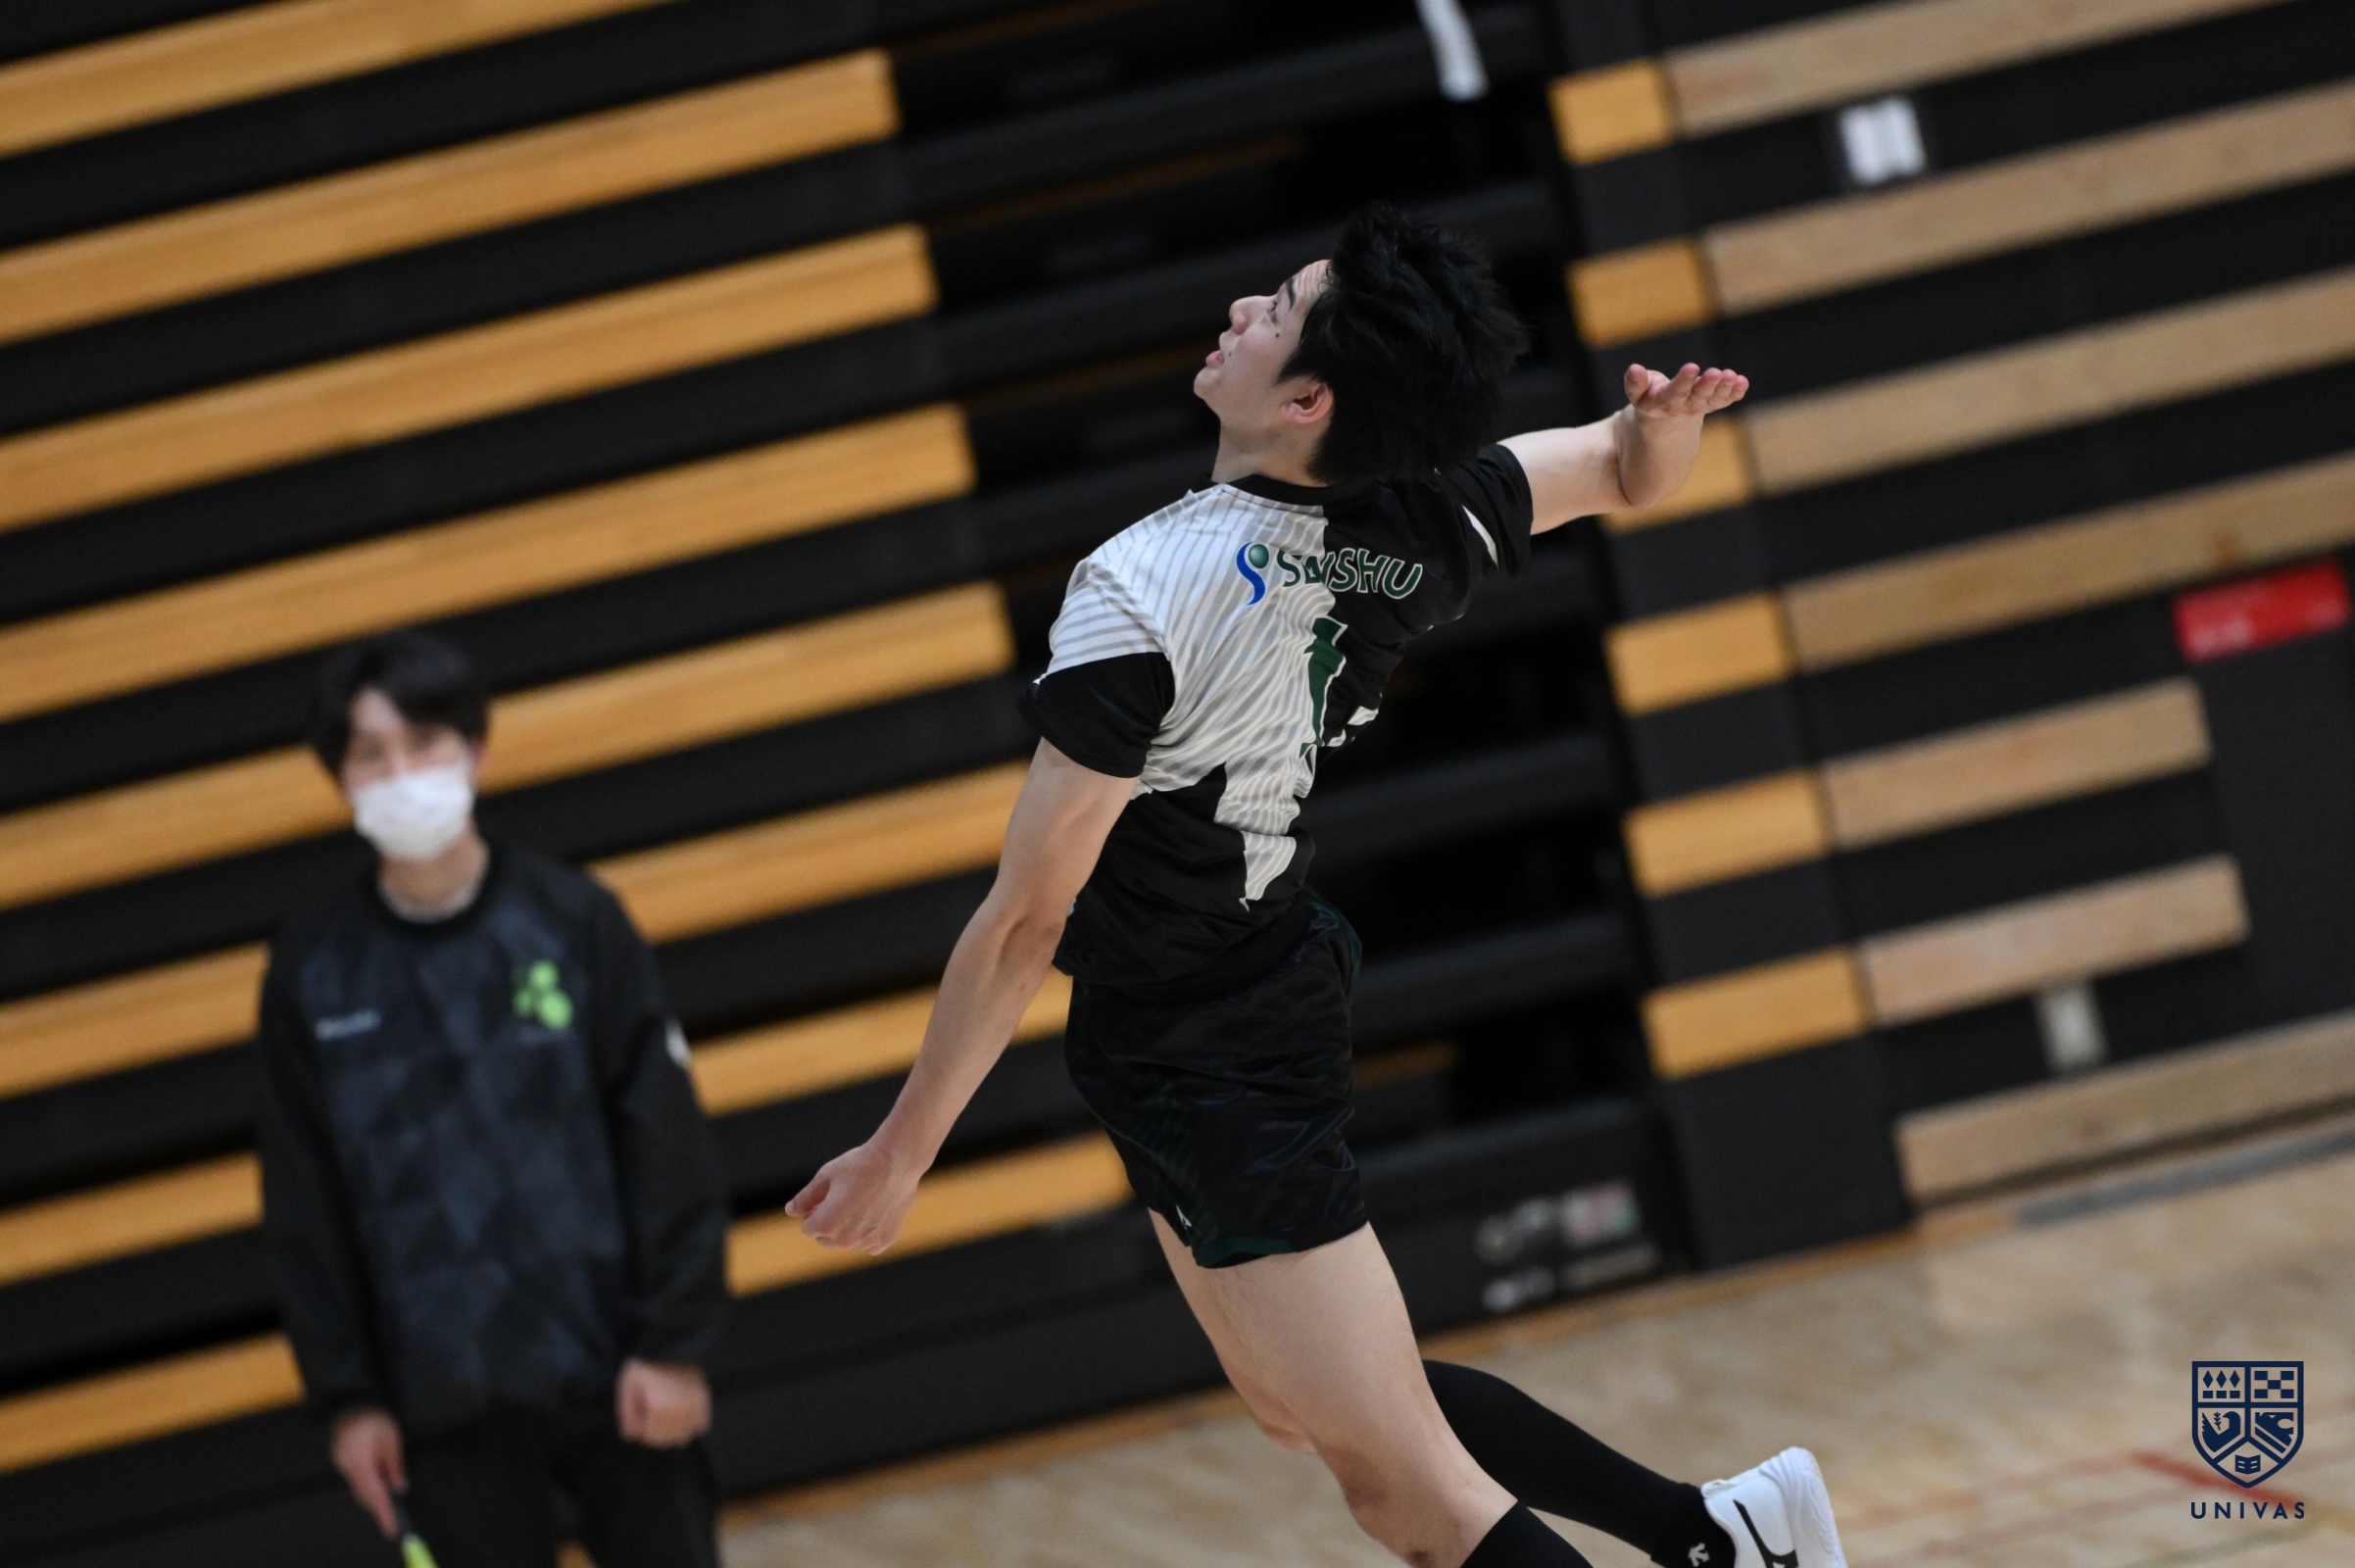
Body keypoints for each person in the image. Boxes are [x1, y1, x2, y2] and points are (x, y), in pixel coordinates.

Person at [784, 204, 1841, 1568]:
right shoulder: (1415, 520)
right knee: (1313, 1415)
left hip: (1215, 1044)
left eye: (1276, 308)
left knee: (1407, 1492)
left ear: (1305, 401)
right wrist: (1660, 428)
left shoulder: (1140, 594)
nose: (1240, 309)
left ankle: (1718, 1544)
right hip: (1220, 999)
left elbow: (1027, 919)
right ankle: (1711, 1533)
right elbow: (1621, 473)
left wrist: (901, 1153)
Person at [255, 631, 733, 1568]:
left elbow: (667, 1144)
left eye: (423, 741)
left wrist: (675, 1344)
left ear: (473, 749)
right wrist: (349, 1402)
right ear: (340, 778)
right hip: (440, 1408)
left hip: (621, 1376)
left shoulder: (575, 921)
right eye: (370, 753)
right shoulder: (310, 971)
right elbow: (303, 1206)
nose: (401, 773)